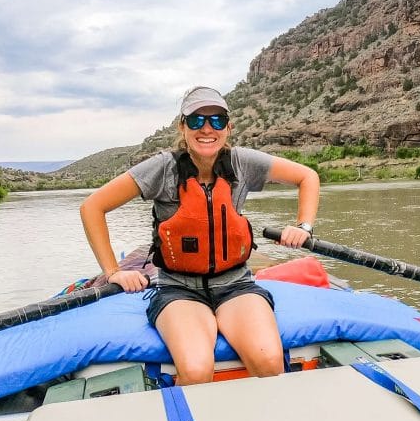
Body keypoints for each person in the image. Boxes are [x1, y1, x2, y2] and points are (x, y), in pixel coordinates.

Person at [80, 85, 320, 385]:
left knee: (269, 362)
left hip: (236, 286)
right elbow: (93, 207)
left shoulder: (242, 163)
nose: (207, 128)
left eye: (217, 120)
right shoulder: (163, 168)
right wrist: (113, 271)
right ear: (183, 126)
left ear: (228, 127)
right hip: (179, 290)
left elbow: (307, 176)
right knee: (195, 370)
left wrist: (302, 226)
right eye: (196, 120)